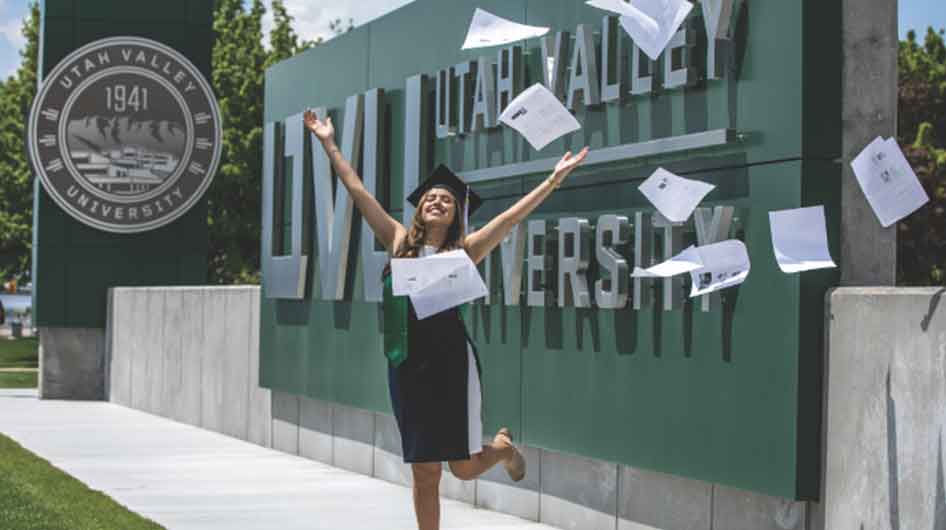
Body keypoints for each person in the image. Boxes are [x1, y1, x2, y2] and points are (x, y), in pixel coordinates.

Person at [304, 109, 589, 530]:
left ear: (456, 214)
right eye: (431, 197)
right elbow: (356, 189)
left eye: (448, 200)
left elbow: (509, 220)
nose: (437, 201)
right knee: (424, 472)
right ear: (420, 208)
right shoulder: (398, 241)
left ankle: (503, 449)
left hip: (451, 366)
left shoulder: (465, 251)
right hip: (406, 367)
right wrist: (328, 141)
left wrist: (553, 179)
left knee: (464, 468)